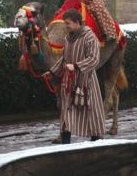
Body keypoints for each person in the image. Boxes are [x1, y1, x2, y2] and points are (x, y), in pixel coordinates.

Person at [44, 9, 106, 143]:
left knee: (91, 111)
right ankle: (65, 143)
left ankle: (96, 139)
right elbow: (64, 59)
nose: (65, 26)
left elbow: (94, 59)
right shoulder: (67, 38)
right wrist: (53, 72)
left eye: (68, 23)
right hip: (69, 82)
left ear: (77, 22)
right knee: (66, 112)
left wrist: (76, 66)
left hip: (86, 81)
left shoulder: (90, 37)